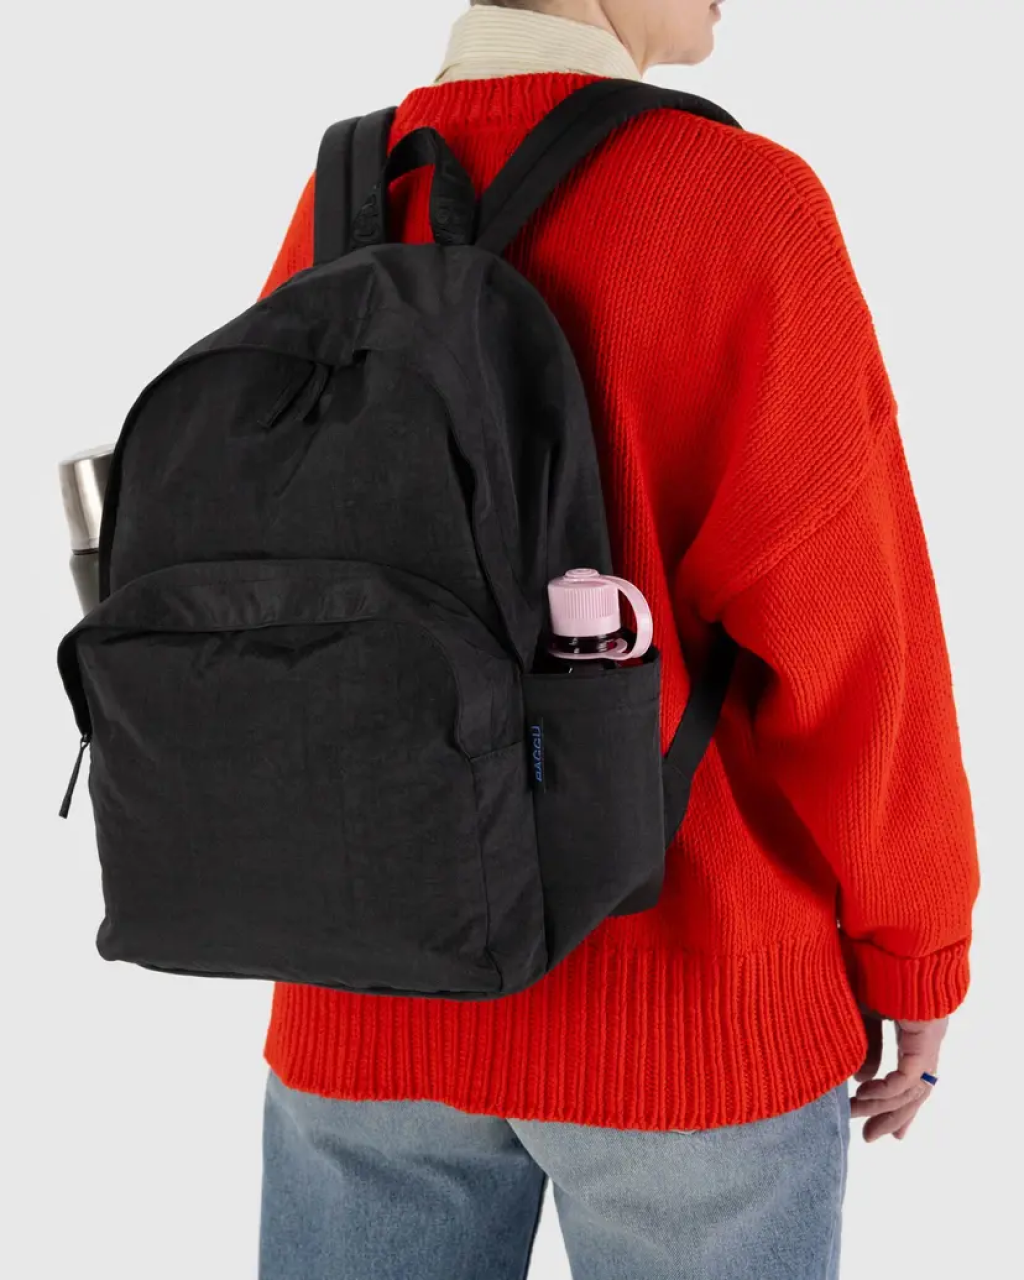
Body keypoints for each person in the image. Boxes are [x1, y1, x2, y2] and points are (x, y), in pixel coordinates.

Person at [256, 3, 980, 1277]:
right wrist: (916, 950)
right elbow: (857, 641)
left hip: (363, 988)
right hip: (688, 1008)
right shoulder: (738, 198)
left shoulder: (352, 192)